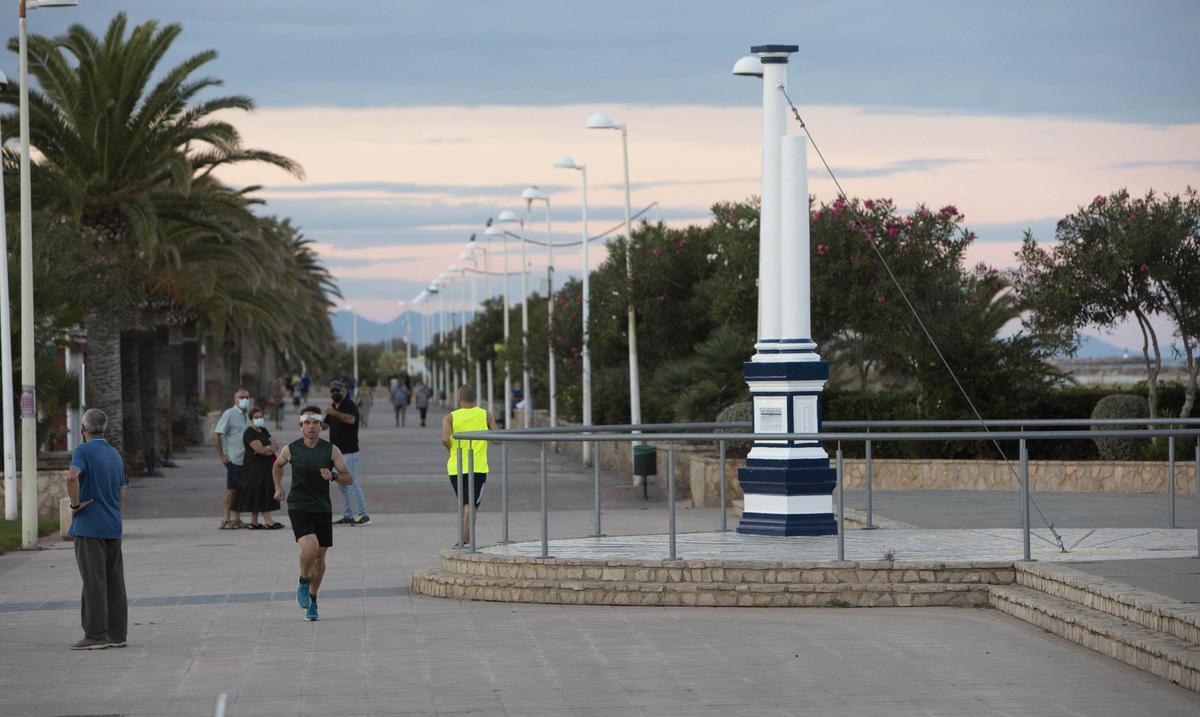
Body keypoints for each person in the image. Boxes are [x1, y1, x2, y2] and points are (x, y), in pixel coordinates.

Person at [272, 406, 354, 622]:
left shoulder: (331, 450)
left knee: (319, 558)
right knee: (310, 548)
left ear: (321, 426)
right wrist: (278, 487)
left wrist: (333, 475)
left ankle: (313, 600)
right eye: (306, 423)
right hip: (298, 505)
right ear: (300, 426)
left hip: (322, 508)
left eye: (315, 423)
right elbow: (277, 465)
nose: (311, 426)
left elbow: (349, 478)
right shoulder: (291, 449)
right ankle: (302, 581)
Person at [67, 408, 128, 650]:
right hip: (112, 525)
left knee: (93, 581)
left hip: (89, 526)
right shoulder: (114, 454)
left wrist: (75, 504)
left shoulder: (82, 450)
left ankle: (95, 635)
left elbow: (72, 478)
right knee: (114, 580)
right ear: (104, 428)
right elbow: (122, 494)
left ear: (83, 430)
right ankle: (117, 633)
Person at [442, 384, 501, 546]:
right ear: (474, 399)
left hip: (456, 467)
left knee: (465, 504)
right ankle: (465, 540)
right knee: (471, 505)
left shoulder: (450, 418)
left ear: (459, 399)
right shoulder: (485, 415)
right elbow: (498, 439)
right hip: (478, 467)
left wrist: (451, 448)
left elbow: (445, 439)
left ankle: (465, 540)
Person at [326, 380, 369, 525]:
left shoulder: (349, 405)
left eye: (338, 391)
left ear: (343, 391)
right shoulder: (332, 407)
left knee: (352, 482)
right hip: (336, 453)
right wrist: (312, 420)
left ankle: (364, 515)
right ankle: (348, 515)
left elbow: (351, 420)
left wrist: (335, 413)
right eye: (333, 391)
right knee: (341, 484)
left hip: (349, 451)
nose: (336, 393)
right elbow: (325, 425)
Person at [234, 407, 283, 529]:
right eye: (256, 417)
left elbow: (275, 445)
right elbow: (259, 450)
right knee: (258, 493)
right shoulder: (249, 433)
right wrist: (266, 449)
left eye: (260, 416)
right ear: (251, 419)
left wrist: (266, 449)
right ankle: (268, 521)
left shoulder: (263, 430)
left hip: (265, 467)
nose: (259, 419)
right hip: (253, 469)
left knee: (261, 492)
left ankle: (254, 522)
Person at [213, 388, 252, 529]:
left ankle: (237, 518)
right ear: (235, 398)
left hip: (245, 460)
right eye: (241, 397)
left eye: (246, 397)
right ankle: (225, 518)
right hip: (233, 459)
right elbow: (217, 433)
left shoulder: (246, 416)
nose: (244, 399)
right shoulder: (229, 414)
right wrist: (221, 455)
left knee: (240, 489)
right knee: (232, 489)